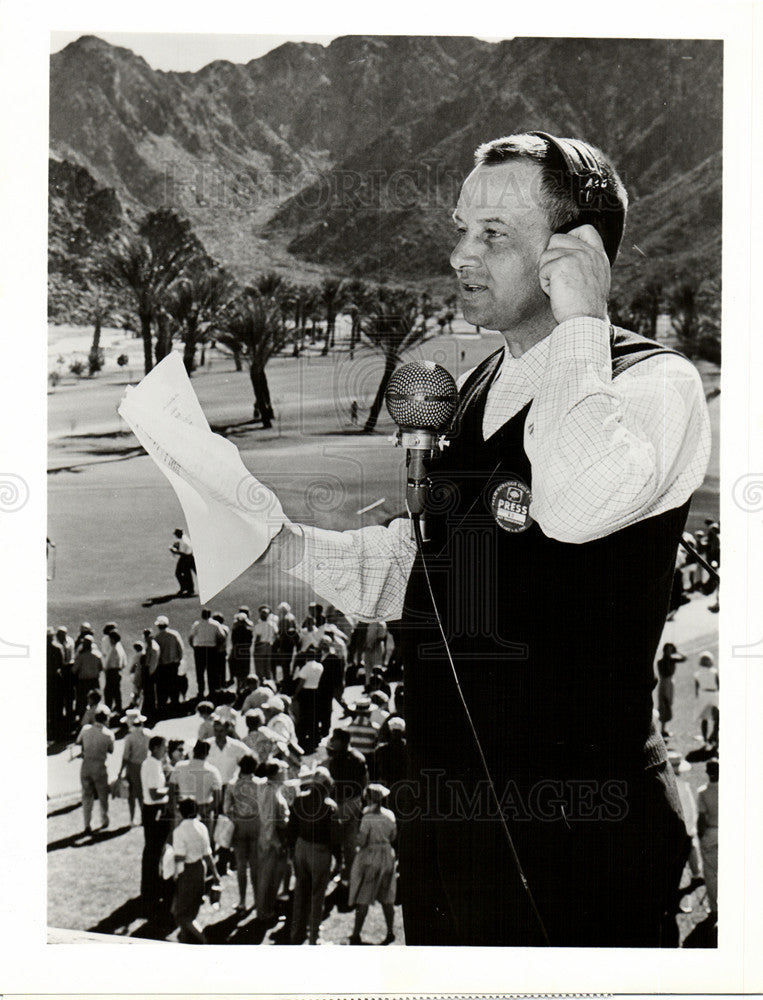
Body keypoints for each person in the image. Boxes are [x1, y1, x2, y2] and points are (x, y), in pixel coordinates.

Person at [255, 132, 711, 946]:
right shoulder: (472, 392)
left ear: (576, 253)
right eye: (461, 228)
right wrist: (279, 544)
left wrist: (582, 320)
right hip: (452, 827)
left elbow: (572, 506)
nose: (461, 253)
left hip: (580, 838)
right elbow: (426, 573)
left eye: (493, 233)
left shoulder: (656, 384)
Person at [288, 768, 339, 944]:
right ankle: (313, 937)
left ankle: (296, 933)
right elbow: (334, 837)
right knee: (317, 895)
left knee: (300, 893)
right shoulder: (329, 806)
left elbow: (292, 827)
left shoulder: (300, 800)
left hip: (301, 848)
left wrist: (291, 850)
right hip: (319, 851)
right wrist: (339, 860)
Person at [348, 783, 397, 945]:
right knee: (386, 896)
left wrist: (357, 840)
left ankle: (356, 933)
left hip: (370, 857)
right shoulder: (389, 815)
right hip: (387, 856)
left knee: (364, 895)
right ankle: (390, 931)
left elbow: (362, 841)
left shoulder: (367, 817)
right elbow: (393, 836)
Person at [172, 796, 221, 943]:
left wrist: (174, 874)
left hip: (186, 871)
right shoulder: (202, 827)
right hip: (200, 869)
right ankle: (186, 939)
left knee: (180, 913)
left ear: (180, 812)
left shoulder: (179, 831)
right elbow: (208, 854)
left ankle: (203, 939)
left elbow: (180, 858)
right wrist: (216, 874)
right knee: (191, 909)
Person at [323, 728, 368, 885]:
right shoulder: (357, 757)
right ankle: (346, 872)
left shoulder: (342, 758)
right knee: (347, 841)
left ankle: (346, 871)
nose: (333, 742)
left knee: (340, 840)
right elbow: (365, 782)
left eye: (335, 739)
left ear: (342, 741)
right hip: (352, 802)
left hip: (343, 803)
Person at [224, 754, 261, 912]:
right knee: (255, 865)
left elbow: (226, 809)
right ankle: (258, 900)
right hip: (256, 824)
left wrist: (235, 817)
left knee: (241, 865)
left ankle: (242, 901)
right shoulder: (260, 784)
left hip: (239, 825)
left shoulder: (232, 785)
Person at [140, 735, 171, 919]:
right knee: (153, 849)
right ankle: (150, 889)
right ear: (156, 747)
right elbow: (154, 793)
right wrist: (171, 790)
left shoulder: (155, 763)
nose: (166, 750)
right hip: (154, 810)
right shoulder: (151, 764)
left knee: (155, 850)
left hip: (154, 809)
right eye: (164, 746)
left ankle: (152, 886)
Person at [76, 708, 114, 834]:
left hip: (86, 765)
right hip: (100, 767)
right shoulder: (108, 734)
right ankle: (104, 820)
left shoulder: (86, 729)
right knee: (103, 796)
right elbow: (111, 750)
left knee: (87, 796)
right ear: (106, 719)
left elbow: (78, 742)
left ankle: (87, 824)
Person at [697, 757, 719, 924]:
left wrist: (701, 836)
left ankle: (714, 908)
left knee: (711, 874)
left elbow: (702, 820)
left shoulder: (703, 792)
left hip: (711, 833)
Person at [119, 708, 150, 825]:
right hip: (145, 765)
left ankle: (132, 818)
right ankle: (144, 817)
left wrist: (120, 771)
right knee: (143, 793)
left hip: (133, 767)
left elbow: (125, 757)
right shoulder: (147, 734)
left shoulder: (130, 737)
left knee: (131, 794)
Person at [293, 646, 323, 753]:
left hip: (306, 692)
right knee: (314, 715)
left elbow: (301, 682)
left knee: (304, 716)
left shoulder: (306, 667)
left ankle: (302, 738)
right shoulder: (320, 666)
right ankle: (315, 737)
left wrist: (296, 694)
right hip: (316, 691)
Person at [189, 609, 224, 702]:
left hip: (200, 649)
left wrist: (194, 647)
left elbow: (191, 637)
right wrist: (218, 646)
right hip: (211, 649)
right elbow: (222, 636)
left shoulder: (197, 624)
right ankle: (211, 691)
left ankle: (201, 692)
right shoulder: (215, 624)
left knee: (200, 672)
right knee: (211, 672)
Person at [153, 615, 184, 717]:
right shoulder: (174, 635)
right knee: (174, 686)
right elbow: (181, 649)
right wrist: (179, 659)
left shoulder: (157, 638)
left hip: (162, 666)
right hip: (173, 665)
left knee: (163, 688)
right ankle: (175, 707)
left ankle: (163, 710)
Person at [655, 643, 687, 738]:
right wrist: (674, 655)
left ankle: (663, 729)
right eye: (668, 650)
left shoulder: (670, 660)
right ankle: (661, 730)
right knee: (664, 705)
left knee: (667, 705)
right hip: (665, 683)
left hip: (668, 683)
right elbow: (667, 672)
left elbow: (684, 658)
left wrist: (676, 652)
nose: (669, 652)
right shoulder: (662, 661)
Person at [71, 636, 103, 720]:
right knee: (95, 701)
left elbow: (74, 670)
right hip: (94, 681)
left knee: (82, 702)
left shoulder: (81, 656)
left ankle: (83, 720)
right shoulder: (97, 655)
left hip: (83, 682)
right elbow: (101, 668)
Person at [694, 651, 719, 747]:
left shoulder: (697, 674)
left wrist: (698, 698)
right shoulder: (714, 672)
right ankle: (714, 736)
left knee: (705, 719)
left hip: (703, 695)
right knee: (716, 718)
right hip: (713, 695)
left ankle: (705, 739)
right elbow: (718, 684)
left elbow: (697, 688)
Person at [229, 611, 254, 694]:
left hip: (237, 652)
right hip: (245, 653)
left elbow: (233, 642)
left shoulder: (235, 631)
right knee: (245, 671)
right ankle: (244, 687)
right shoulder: (249, 631)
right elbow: (250, 643)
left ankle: (238, 687)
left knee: (237, 670)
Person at [103, 629, 127, 714]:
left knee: (108, 693)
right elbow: (124, 662)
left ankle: (108, 711)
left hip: (112, 672)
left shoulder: (114, 649)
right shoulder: (119, 647)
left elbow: (108, 664)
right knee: (116, 692)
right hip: (117, 671)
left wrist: (105, 669)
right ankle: (118, 709)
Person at [253, 605, 277, 680]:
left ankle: (261, 681)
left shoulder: (259, 625)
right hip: (269, 645)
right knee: (267, 665)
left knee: (259, 665)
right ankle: (268, 680)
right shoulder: (273, 625)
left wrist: (255, 648)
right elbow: (276, 634)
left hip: (261, 645)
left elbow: (258, 637)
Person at [170, 527, 196, 596]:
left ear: (179, 534)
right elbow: (179, 543)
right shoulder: (184, 537)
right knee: (187, 574)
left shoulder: (185, 542)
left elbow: (183, 553)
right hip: (189, 556)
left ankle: (187, 588)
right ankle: (188, 589)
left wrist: (174, 551)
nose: (175, 536)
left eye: (176, 534)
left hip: (186, 558)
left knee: (180, 573)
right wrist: (176, 546)